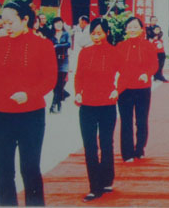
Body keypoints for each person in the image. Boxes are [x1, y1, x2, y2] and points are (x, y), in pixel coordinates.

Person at [0, 0, 57, 206]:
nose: (7, 27)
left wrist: (30, 94)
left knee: (30, 168)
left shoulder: (43, 45)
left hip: (31, 116)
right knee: (2, 170)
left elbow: (50, 78)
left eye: (11, 22)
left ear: (25, 20)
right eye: (3, 23)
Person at [74, 18, 123, 202]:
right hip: (87, 104)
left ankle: (107, 180)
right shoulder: (84, 53)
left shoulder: (114, 52)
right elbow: (79, 75)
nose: (96, 37)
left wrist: (117, 90)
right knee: (90, 145)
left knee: (106, 143)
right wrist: (78, 93)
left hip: (107, 105)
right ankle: (94, 187)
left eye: (100, 33)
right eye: (93, 34)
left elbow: (124, 74)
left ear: (107, 33)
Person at [117, 17, 158, 162]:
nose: (132, 30)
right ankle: (127, 153)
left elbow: (154, 64)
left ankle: (140, 149)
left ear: (141, 29)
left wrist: (147, 74)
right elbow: (115, 65)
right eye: (130, 27)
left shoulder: (148, 46)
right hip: (125, 89)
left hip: (142, 88)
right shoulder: (120, 46)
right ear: (126, 30)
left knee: (141, 120)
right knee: (126, 121)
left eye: (135, 27)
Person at [49, 17, 71, 114]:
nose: (58, 25)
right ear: (53, 25)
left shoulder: (66, 34)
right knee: (55, 84)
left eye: (60, 23)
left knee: (61, 83)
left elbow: (68, 44)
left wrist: (57, 46)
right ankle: (59, 103)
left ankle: (53, 104)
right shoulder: (51, 35)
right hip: (53, 61)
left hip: (64, 61)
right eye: (56, 23)